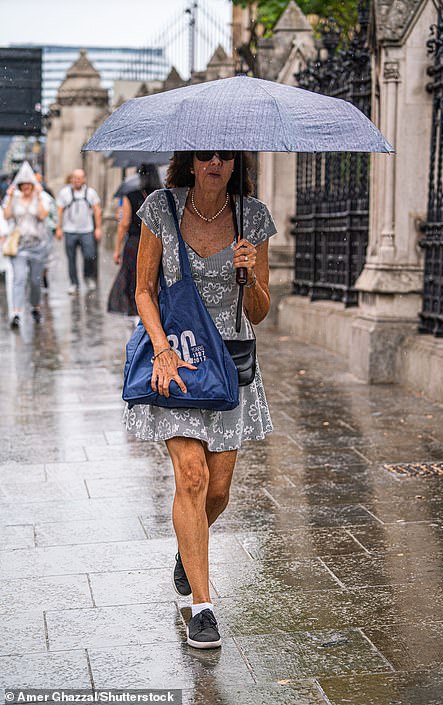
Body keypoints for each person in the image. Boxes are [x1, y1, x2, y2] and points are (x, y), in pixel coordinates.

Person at [124, 151, 277, 649]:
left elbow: (260, 311)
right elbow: (143, 290)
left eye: (224, 155)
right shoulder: (159, 207)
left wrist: (249, 275)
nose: (214, 162)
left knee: (218, 489)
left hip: (231, 363)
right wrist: (162, 350)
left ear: (236, 163)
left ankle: (186, 549)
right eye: (205, 154)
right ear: (190, 160)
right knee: (191, 477)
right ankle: (202, 607)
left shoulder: (252, 216)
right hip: (179, 359)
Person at [108, 164, 161, 319]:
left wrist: (117, 249)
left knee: (134, 278)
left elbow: (124, 223)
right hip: (158, 243)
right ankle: (154, 310)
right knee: (155, 278)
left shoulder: (130, 195)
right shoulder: (163, 195)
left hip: (135, 242)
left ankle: (136, 311)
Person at [2, 161, 50, 328]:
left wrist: (38, 196)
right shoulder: (13, 199)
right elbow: (7, 216)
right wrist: (9, 197)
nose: (26, 187)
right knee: (19, 279)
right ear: (20, 185)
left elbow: (43, 216)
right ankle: (16, 313)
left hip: (37, 246)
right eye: (23, 184)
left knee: (35, 281)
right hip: (20, 246)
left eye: (29, 184)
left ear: (32, 184)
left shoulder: (40, 197)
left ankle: (35, 307)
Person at [55, 169, 102, 294]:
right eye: (75, 177)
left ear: (84, 179)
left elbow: (97, 210)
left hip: (86, 230)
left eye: (80, 177)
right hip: (69, 230)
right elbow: (59, 210)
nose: (77, 180)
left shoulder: (90, 193)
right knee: (71, 258)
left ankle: (88, 276)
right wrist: (58, 228)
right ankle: (74, 283)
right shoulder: (65, 193)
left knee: (89, 255)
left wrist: (98, 228)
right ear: (72, 179)